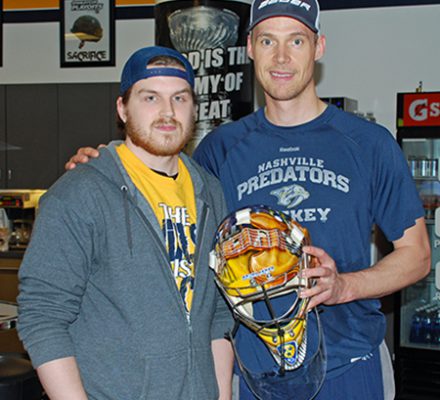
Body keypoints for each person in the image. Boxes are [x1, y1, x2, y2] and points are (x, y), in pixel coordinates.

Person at [65, 1, 431, 399]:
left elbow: (417, 255)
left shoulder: (368, 144)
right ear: (251, 48)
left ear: (319, 47)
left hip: (348, 365)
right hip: (253, 373)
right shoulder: (218, 149)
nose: (282, 57)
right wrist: (105, 166)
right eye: (268, 41)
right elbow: (155, 186)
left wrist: (344, 286)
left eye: (296, 41)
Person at [17, 45, 234, 400]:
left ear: (194, 108)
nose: (168, 112)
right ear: (122, 108)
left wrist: (221, 395)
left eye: (179, 98)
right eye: (150, 98)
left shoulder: (209, 191)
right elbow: (43, 316)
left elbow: (218, 314)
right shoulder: (80, 194)